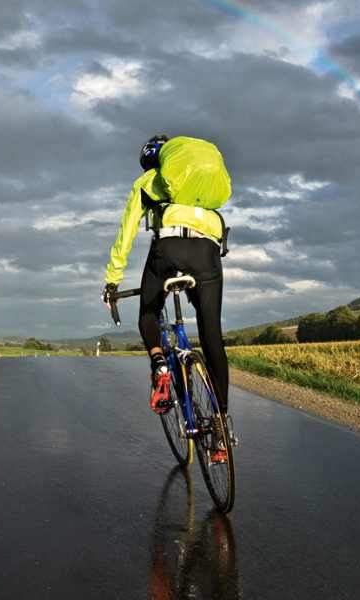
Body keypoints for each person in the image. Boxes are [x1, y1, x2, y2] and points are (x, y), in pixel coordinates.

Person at [101, 134, 232, 458]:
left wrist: (113, 281)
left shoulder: (150, 181)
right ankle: (219, 428)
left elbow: (127, 230)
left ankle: (159, 361)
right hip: (207, 251)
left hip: (168, 249)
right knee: (212, 334)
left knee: (148, 310)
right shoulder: (203, 190)